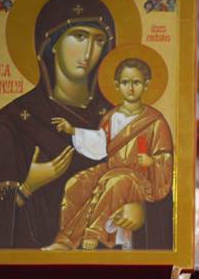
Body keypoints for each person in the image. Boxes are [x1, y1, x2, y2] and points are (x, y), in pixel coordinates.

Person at [0, 0, 167, 250]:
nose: (88, 52)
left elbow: (160, 186)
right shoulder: (10, 124)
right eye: (79, 36)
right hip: (35, 269)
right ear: (51, 43)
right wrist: (26, 187)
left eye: (99, 40)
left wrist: (140, 211)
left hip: (111, 264)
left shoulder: (122, 117)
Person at [45, 57, 174, 250]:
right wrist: (73, 131)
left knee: (116, 182)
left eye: (136, 82)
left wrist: (152, 161)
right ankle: (64, 241)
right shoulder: (112, 116)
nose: (131, 88)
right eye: (125, 82)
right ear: (117, 85)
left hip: (139, 178)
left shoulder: (155, 121)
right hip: (111, 169)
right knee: (76, 183)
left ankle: (93, 233)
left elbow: (166, 156)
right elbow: (100, 144)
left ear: (146, 85)